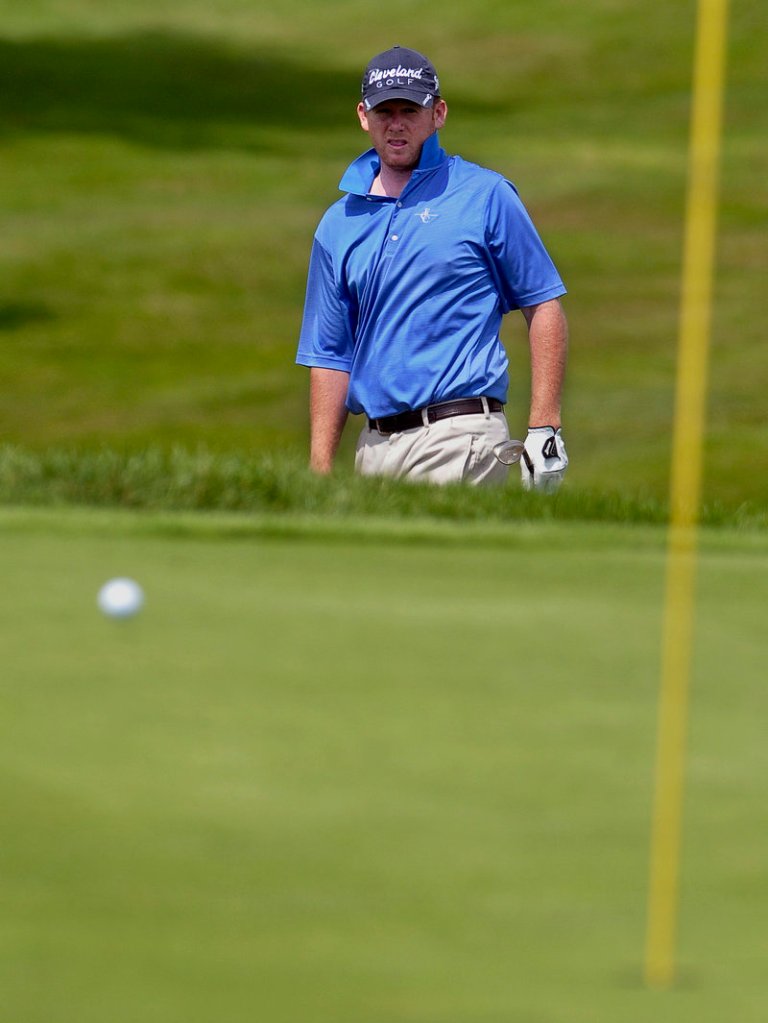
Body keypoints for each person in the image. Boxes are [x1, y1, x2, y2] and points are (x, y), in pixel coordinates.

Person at [296, 44, 569, 490]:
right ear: (364, 116)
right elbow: (330, 355)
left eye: (410, 109)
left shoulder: (485, 195)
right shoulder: (338, 224)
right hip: (375, 447)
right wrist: (320, 470)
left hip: (461, 435)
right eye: (385, 111)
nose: (397, 123)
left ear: (438, 114)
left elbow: (543, 304)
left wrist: (544, 426)